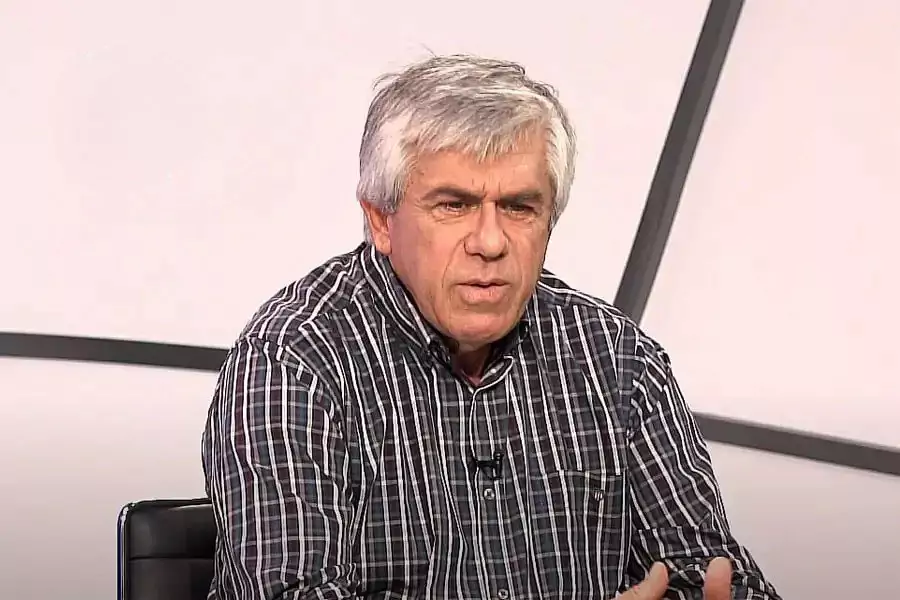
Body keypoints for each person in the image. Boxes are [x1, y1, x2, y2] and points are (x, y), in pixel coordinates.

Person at [201, 54, 780, 600]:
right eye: (453, 205)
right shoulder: (291, 364)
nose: (490, 241)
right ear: (380, 220)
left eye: (519, 207)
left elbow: (707, 568)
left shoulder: (616, 359)